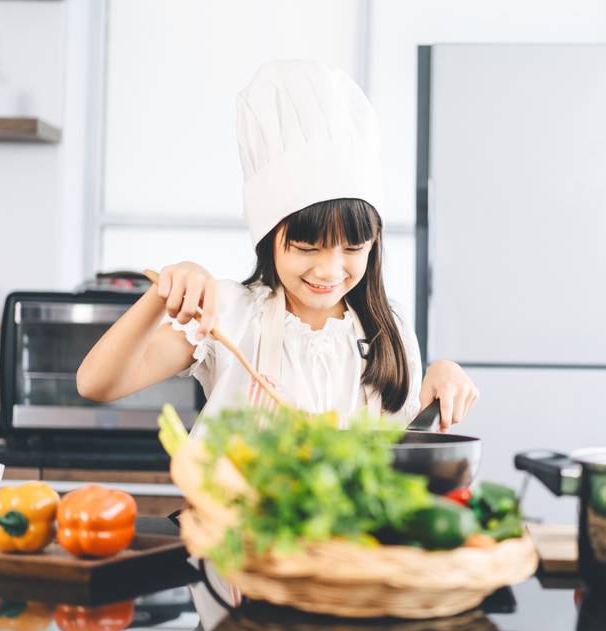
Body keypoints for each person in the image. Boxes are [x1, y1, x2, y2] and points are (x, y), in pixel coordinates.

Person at [77, 60, 478, 435]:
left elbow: (400, 450)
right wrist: (162, 294)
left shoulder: (388, 327)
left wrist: (439, 376)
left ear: (374, 244)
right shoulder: (227, 316)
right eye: (307, 248)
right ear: (270, 240)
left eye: (353, 248)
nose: (329, 269)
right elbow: (96, 384)